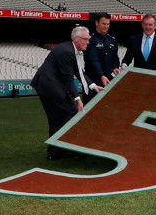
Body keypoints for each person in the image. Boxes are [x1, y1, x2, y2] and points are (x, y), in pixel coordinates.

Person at [31, 26, 105, 160]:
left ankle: (55, 153)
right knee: (71, 113)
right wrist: (77, 99)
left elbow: (79, 72)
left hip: (48, 86)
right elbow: (68, 78)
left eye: (89, 39)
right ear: (76, 39)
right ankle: (70, 149)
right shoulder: (67, 52)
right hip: (50, 87)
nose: (88, 42)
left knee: (57, 119)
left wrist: (93, 86)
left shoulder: (71, 50)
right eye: (85, 39)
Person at [121, 13, 156, 126]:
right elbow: (127, 58)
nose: (147, 27)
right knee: (138, 110)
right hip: (138, 82)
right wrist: (124, 64)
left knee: (154, 112)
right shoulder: (134, 39)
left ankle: (153, 137)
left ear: (155, 26)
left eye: (150, 25)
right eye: (145, 24)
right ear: (142, 25)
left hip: (155, 82)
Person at [83, 12, 120, 103]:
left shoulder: (112, 40)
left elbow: (116, 58)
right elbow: (93, 60)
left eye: (108, 24)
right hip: (92, 80)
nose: (106, 26)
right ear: (96, 23)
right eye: (103, 24)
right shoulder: (90, 40)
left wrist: (115, 67)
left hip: (108, 81)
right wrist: (101, 75)